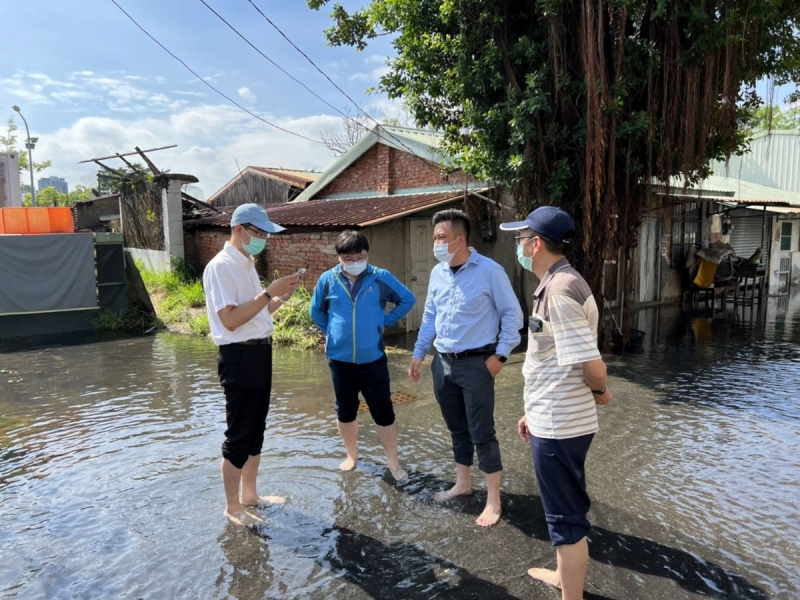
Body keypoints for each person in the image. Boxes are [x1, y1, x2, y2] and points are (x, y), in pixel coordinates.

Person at [500, 206, 612, 600]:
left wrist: (601, 392)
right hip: (555, 416)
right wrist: (533, 410)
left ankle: (572, 595)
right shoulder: (557, 283)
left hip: (562, 425)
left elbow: (592, 366)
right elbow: (551, 361)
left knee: (565, 518)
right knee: (561, 509)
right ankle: (565, 577)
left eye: (520, 239)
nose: (518, 245)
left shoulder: (561, 291)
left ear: (535, 244)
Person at [408, 208, 523, 527]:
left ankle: (494, 500)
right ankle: (462, 483)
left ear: (460, 239)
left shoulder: (490, 271)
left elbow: (513, 315)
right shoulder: (437, 273)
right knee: (456, 427)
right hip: (443, 362)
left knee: (482, 432)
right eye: (434, 238)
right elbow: (429, 316)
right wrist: (419, 353)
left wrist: (500, 357)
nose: (437, 243)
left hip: (478, 363)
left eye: (441, 237)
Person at [203, 203, 302, 527]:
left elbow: (257, 314)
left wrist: (280, 297)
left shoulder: (246, 262)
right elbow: (230, 320)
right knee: (239, 434)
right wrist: (267, 294)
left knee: (256, 430)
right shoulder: (221, 266)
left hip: (260, 351)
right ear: (238, 229)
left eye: (264, 234)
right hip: (239, 355)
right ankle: (232, 507)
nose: (261, 239)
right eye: (257, 233)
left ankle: (250, 495)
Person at [310, 230, 415, 480]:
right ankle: (351, 456)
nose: (356, 262)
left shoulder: (380, 278)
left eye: (361, 256)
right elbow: (316, 311)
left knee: (384, 411)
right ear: (339, 258)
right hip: (340, 360)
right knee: (345, 411)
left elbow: (407, 299)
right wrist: (332, 334)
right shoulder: (327, 280)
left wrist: (384, 322)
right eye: (350, 258)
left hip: (373, 360)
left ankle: (393, 462)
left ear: (367, 255)